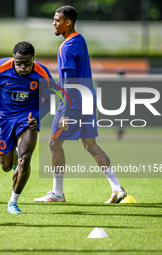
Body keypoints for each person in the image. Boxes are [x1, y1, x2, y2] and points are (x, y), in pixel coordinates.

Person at [34, 5, 127, 203]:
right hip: (87, 98)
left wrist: (65, 112)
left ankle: (57, 193)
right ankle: (117, 188)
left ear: (68, 22)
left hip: (73, 102)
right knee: (90, 144)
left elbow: (70, 82)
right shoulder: (79, 39)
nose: (54, 23)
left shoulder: (66, 47)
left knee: (54, 143)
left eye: (57, 20)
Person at [0, 41, 53, 214]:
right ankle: (15, 162)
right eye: (19, 63)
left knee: (25, 158)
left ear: (33, 60)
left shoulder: (42, 72)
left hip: (27, 117)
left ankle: (13, 201)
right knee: (6, 166)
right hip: (4, 117)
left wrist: (36, 117)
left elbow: (50, 98)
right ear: (13, 59)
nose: (23, 67)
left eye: (27, 64)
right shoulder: (0, 67)